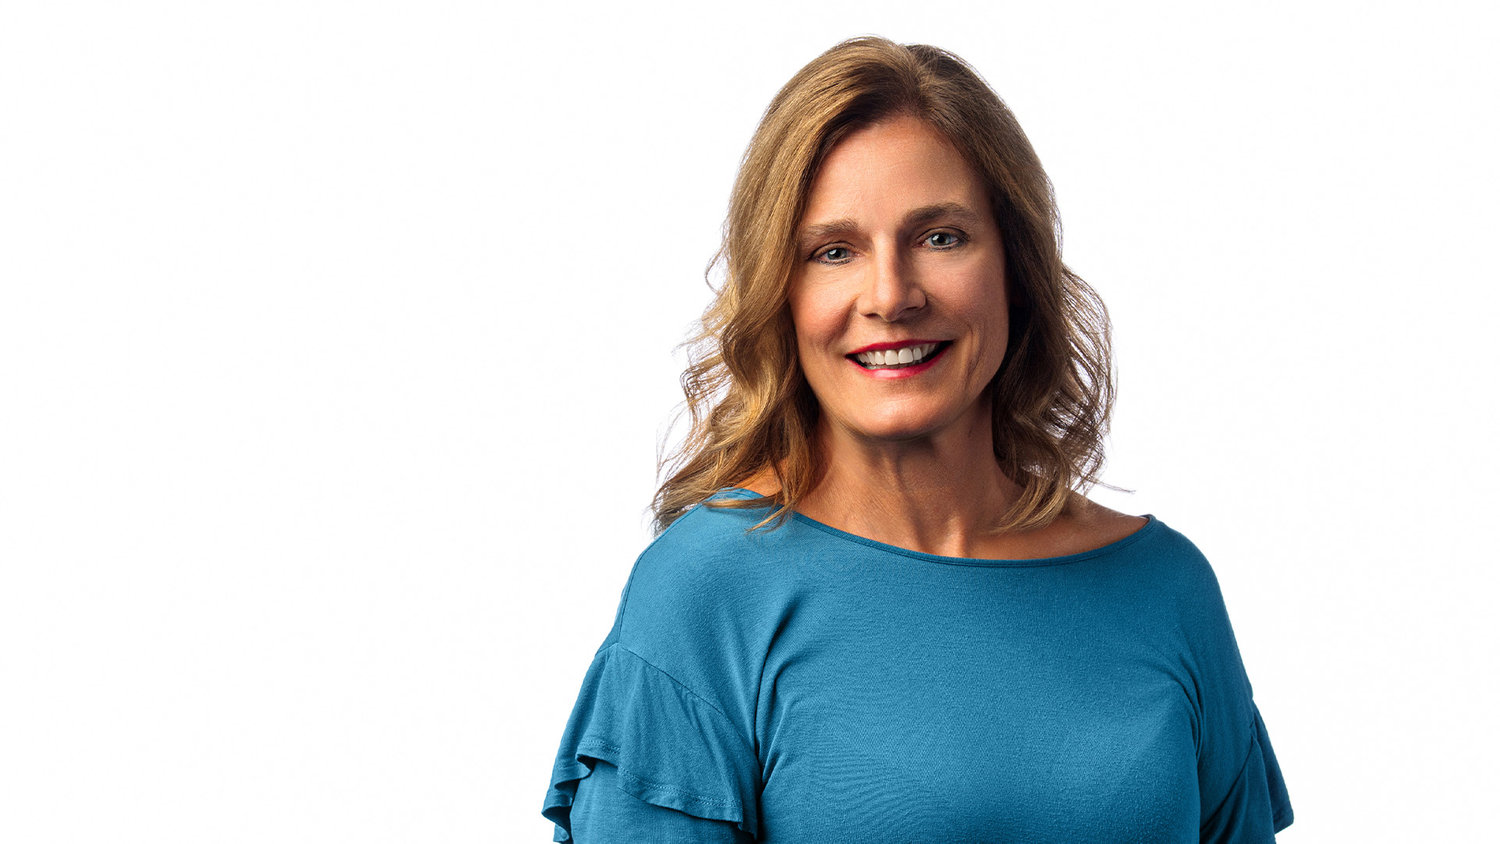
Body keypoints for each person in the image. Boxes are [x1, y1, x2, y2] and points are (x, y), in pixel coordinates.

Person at [542, 36, 1292, 843]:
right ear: (781, 295)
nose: (891, 296)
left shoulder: (1168, 591)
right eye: (833, 252)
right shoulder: (705, 595)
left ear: (1015, 263)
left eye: (940, 237)